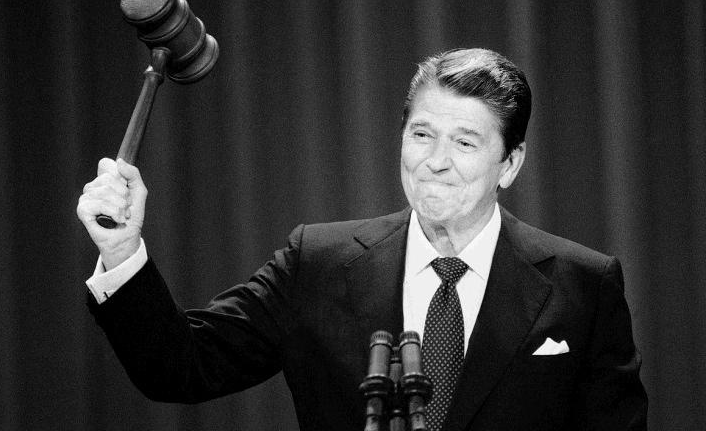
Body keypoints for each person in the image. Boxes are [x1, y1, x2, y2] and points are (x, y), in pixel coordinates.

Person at [77, 48, 647, 431]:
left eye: (465, 142)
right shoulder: (317, 263)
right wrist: (121, 250)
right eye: (421, 134)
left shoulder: (583, 286)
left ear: (510, 163)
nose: (436, 161)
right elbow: (182, 367)